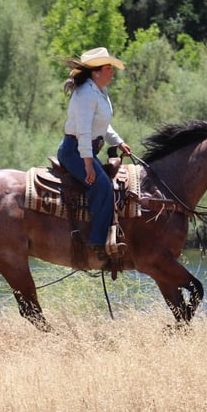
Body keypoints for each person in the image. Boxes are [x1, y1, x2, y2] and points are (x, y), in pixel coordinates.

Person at [57, 47, 133, 259]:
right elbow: (83, 131)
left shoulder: (99, 92)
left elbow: (102, 125)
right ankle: (97, 243)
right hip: (75, 151)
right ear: (96, 72)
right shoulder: (86, 94)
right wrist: (88, 164)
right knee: (102, 187)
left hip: (85, 149)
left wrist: (119, 142)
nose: (112, 72)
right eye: (108, 68)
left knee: (108, 183)